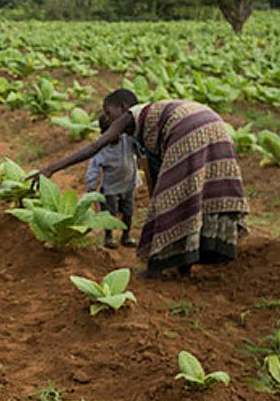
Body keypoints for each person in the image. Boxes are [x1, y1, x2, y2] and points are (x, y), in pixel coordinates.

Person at [35, 89, 248, 278]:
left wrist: (50, 168)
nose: (108, 121)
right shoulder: (148, 126)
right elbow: (155, 171)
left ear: (124, 107)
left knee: (171, 199)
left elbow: (96, 146)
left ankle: (156, 268)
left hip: (189, 129)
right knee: (197, 195)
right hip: (214, 123)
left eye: (109, 114)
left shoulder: (129, 117)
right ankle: (185, 266)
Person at [84, 114, 139, 249]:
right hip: (110, 189)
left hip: (128, 185)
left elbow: (139, 147)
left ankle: (126, 236)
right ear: (105, 134)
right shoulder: (101, 148)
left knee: (128, 213)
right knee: (109, 214)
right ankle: (108, 237)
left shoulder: (128, 140)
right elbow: (93, 168)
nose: (119, 135)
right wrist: (91, 187)